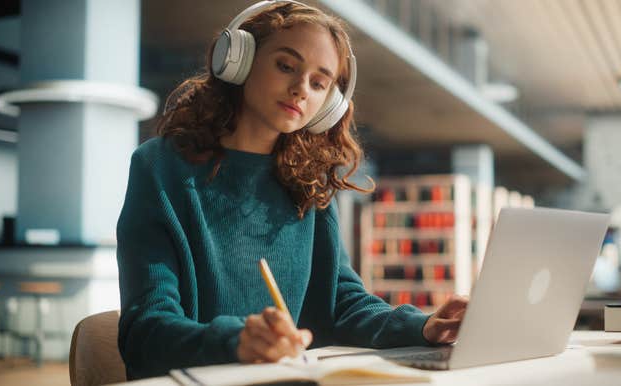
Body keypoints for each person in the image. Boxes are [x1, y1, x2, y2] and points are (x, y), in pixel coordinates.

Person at [117, 0, 467, 379]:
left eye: (319, 83)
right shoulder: (161, 168)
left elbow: (343, 303)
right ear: (240, 59)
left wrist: (422, 326)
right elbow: (146, 329)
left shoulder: (309, 183)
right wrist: (237, 342)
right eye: (286, 66)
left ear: (328, 104)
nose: (301, 89)